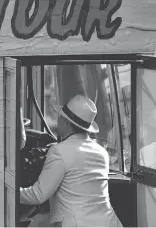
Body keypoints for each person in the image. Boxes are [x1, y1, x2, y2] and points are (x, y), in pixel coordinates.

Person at [20, 94, 122, 227]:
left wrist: (10, 190)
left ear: (67, 123)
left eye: (61, 117)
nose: (58, 121)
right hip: (109, 223)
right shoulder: (102, 153)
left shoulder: (59, 152)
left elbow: (38, 195)